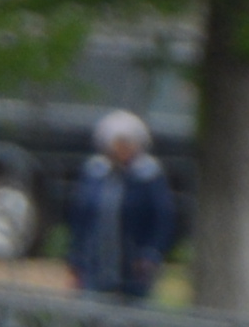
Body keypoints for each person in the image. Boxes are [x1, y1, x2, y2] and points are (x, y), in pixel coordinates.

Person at [69, 113, 175, 305]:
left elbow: (162, 219)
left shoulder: (149, 176)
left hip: (134, 269)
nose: (122, 149)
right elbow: (80, 217)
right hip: (96, 264)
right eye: (117, 143)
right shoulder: (94, 173)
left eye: (127, 143)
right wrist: (77, 258)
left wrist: (150, 253)